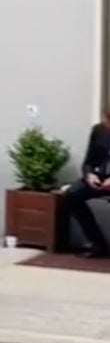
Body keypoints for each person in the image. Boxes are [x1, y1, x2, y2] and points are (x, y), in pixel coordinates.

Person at [64, 110, 110, 257]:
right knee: (73, 195)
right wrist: (89, 175)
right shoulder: (98, 131)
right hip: (99, 177)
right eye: (107, 122)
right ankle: (97, 242)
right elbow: (88, 161)